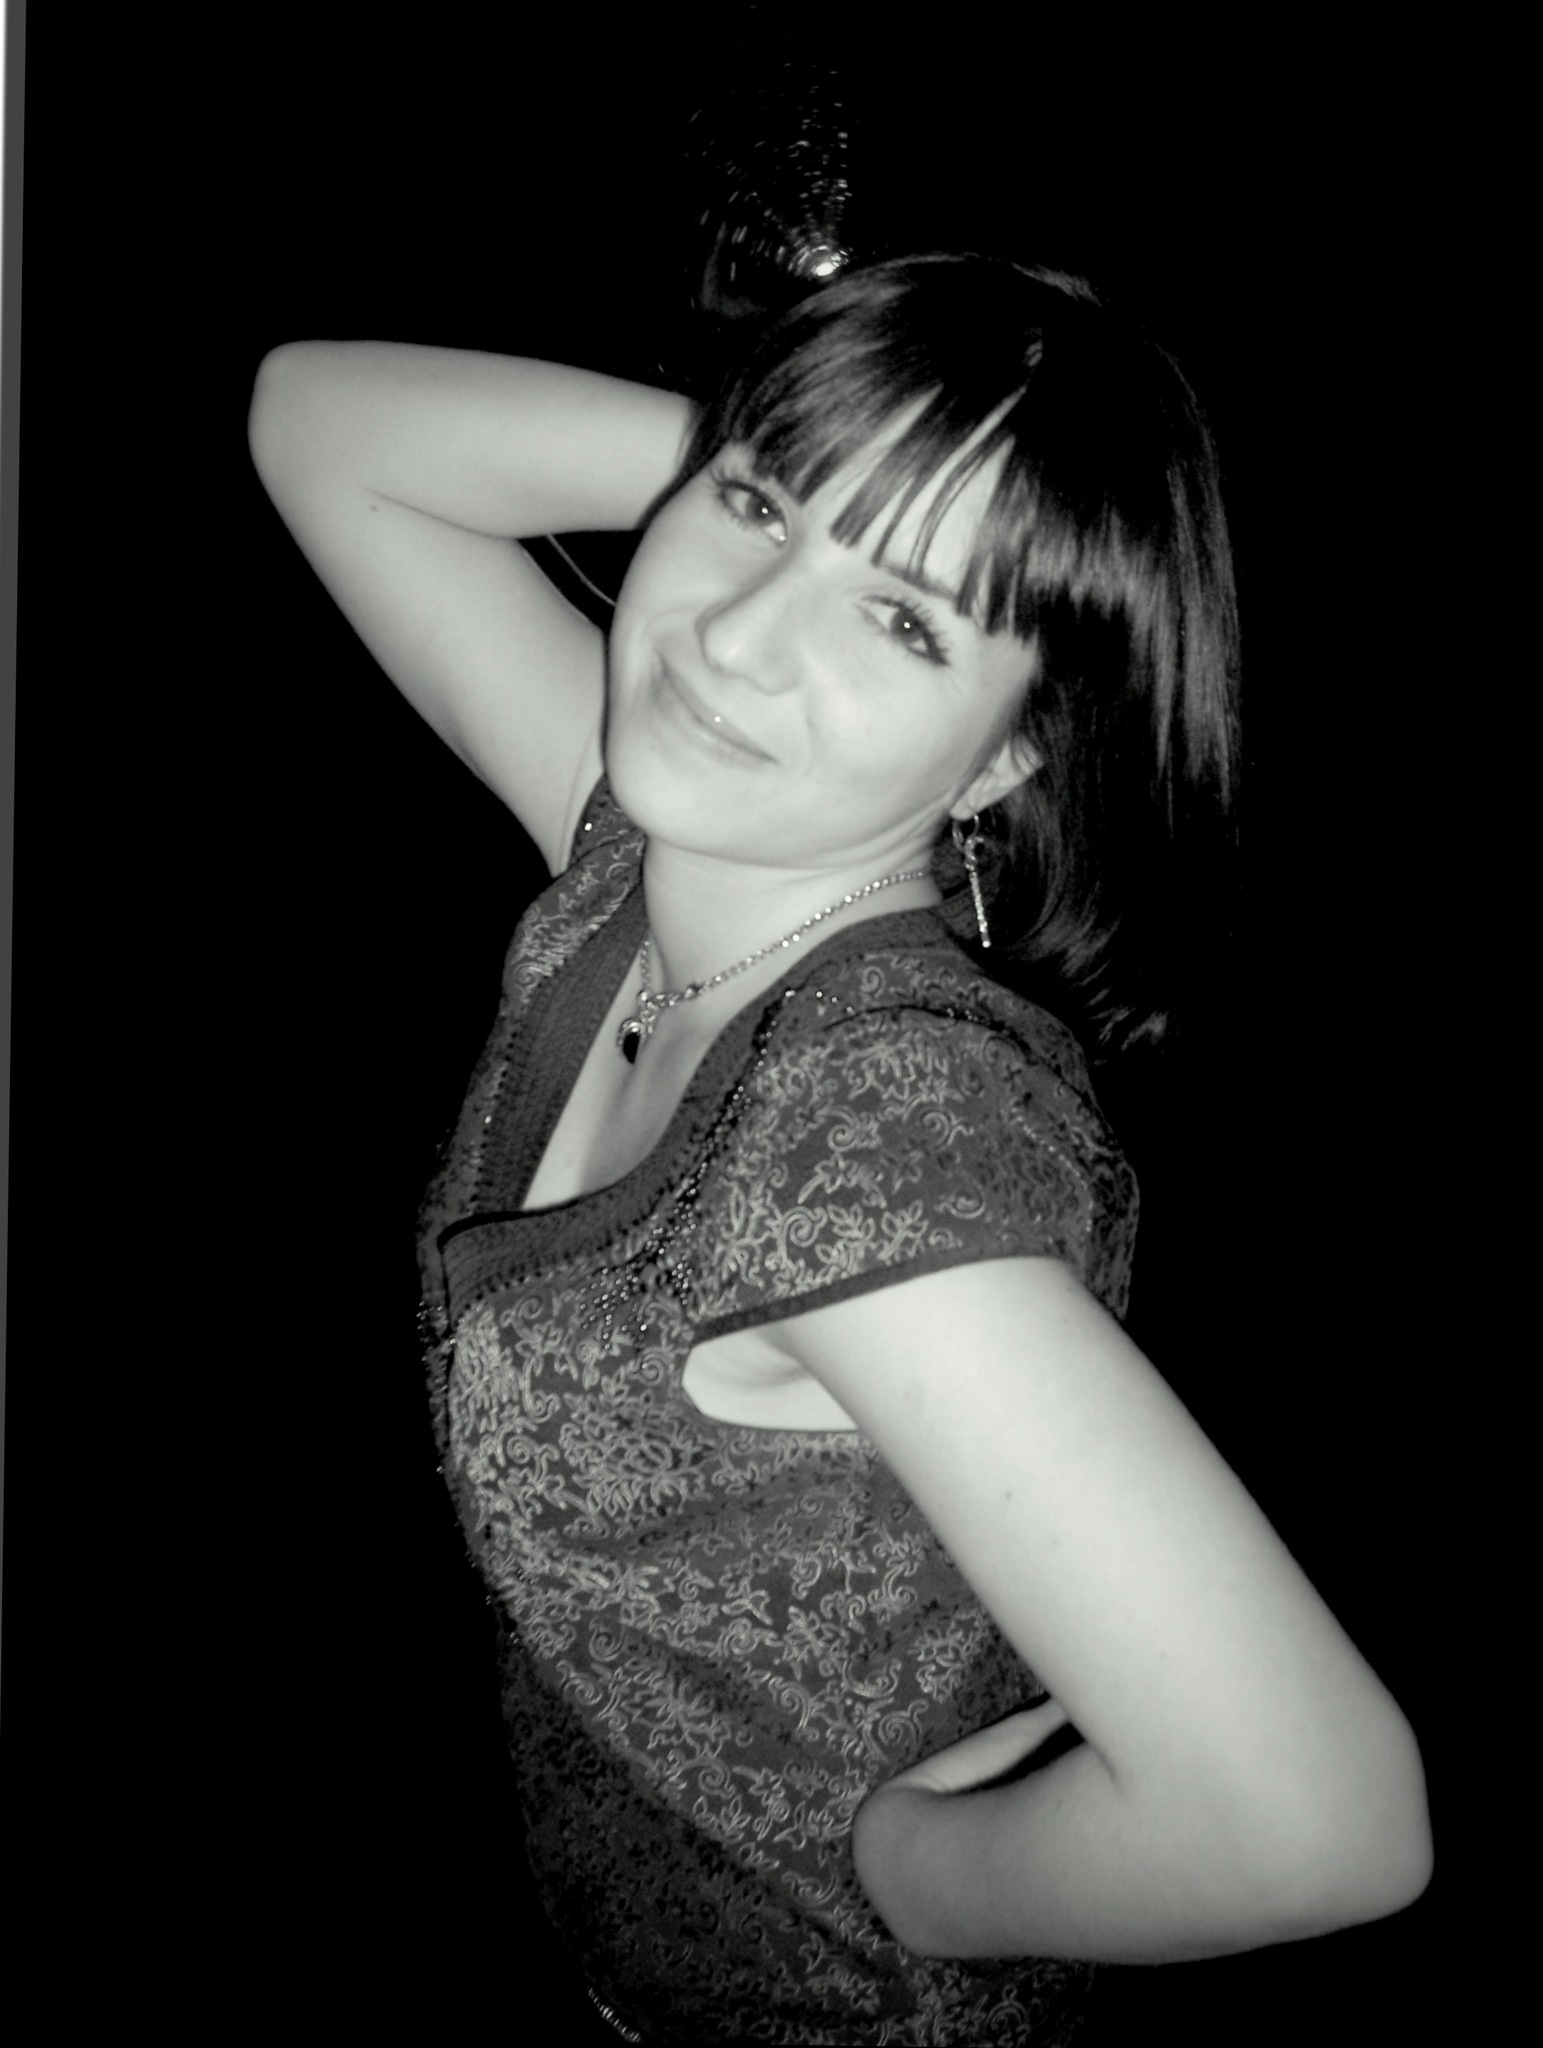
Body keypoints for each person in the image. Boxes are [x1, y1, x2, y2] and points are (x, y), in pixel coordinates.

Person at [249, 254, 1432, 2045]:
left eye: (906, 623)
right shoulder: (651, 856)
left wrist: (916, 1873)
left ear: (1008, 756)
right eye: (751, 512)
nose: (735, 638)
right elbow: (318, 424)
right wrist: (855, 453)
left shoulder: (870, 1143)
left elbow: (1314, 1822)